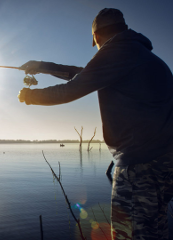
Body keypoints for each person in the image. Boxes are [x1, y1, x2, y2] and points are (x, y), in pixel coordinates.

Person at [18, 8, 173, 240]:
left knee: (128, 234)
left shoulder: (117, 51)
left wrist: (30, 96)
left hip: (139, 165)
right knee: (153, 231)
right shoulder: (139, 54)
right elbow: (87, 75)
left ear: (97, 37)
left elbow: (75, 87)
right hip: (161, 163)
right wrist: (43, 66)